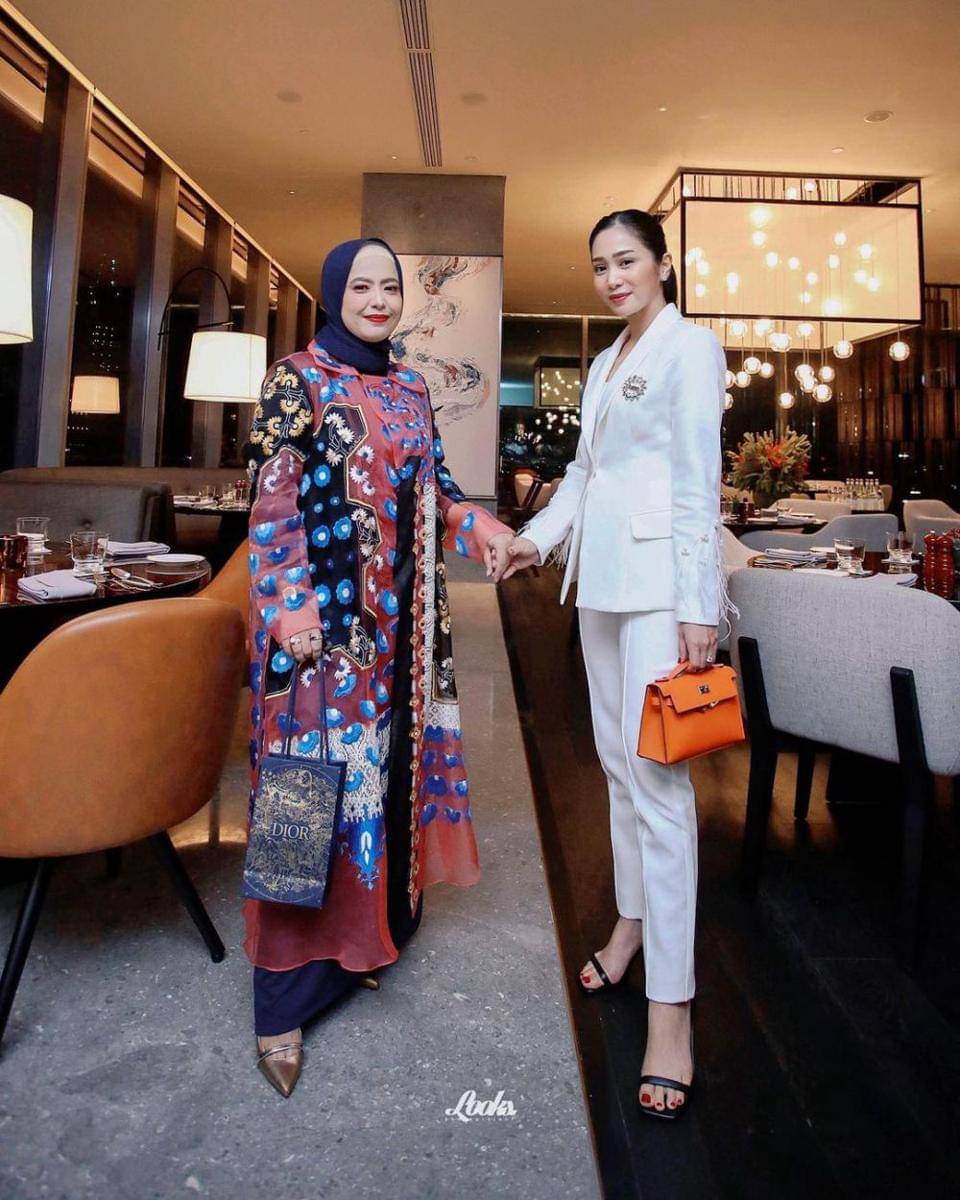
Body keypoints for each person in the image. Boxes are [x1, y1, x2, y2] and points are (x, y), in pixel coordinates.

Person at [243, 237, 514, 1096]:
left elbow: (439, 491)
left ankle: (365, 942)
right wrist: (290, 606)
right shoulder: (296, 379)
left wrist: (487, 532)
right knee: (301, 795)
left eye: (388, 287)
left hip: (400, 635)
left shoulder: (410, 388)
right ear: (334, 293)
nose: (376, 299)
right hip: (316, 637)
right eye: (360, 286)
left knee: (380, 785)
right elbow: (272, 498)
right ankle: (280, 1002)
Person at [502, 210, 728, 1120]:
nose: (611, 277)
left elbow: (698, 481)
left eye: (626, 260)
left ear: (663, 264)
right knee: (617, 771)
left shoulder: (690, 348)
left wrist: (700, 607)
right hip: (599, 586)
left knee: (660, 784)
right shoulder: (603, 364)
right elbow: (585, 477)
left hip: (662, 594)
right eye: (599, 265)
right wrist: (534, 539)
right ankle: (632, 926)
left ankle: (672, 1010)